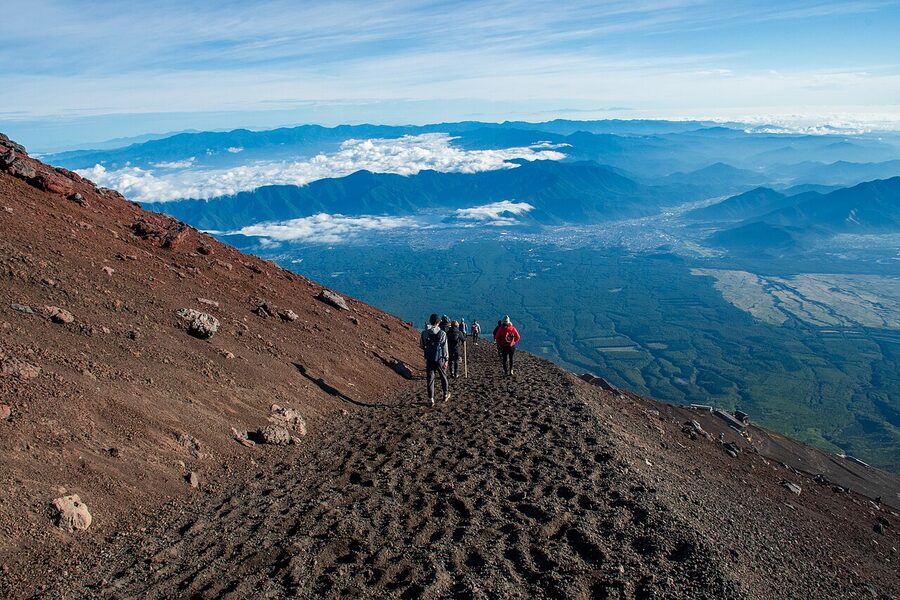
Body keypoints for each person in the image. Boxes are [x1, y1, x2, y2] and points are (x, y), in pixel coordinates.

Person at [420, 314, 450, 406]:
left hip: (429, 358)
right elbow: (445, 348)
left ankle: (431, 398)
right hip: (440, 359)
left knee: (430, 378)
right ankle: (445, 394)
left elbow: (421, 345)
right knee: (443, 376)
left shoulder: (424, 333)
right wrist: (446, 359)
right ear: (438, 322)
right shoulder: (442, 333)